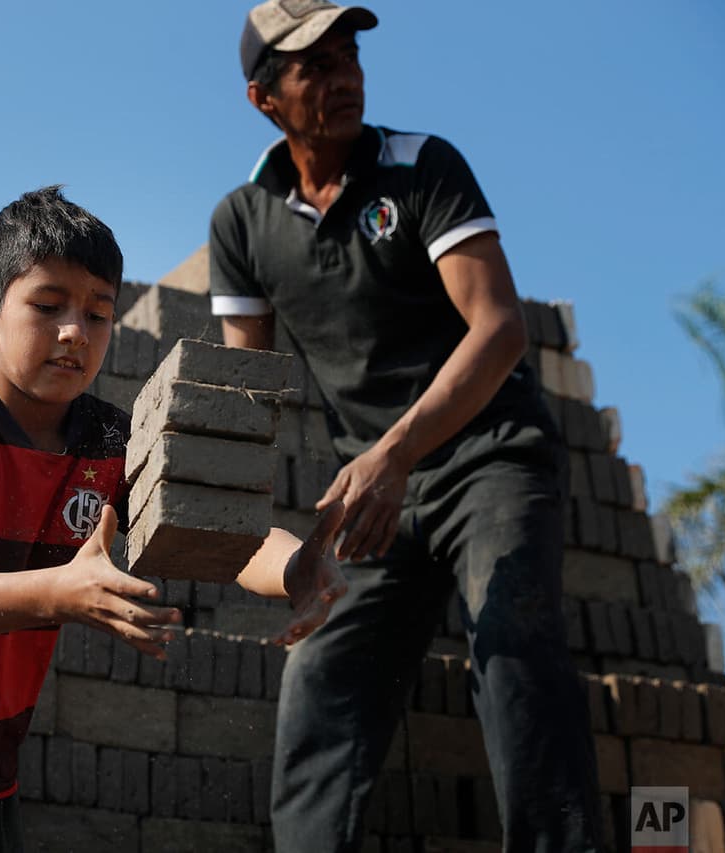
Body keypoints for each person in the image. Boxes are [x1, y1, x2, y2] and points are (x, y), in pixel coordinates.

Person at [0, 185, 343, 853]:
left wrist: (297, 566)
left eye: (98, 313)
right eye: (48, 305)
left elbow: (225, 534)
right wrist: (61, 589)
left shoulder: (113, 448)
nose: (75, 332)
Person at [209, 2, 603, 850]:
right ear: (264, 99)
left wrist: (394, 451)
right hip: (375, 494)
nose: (345, 76)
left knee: (512, 646)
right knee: (320, 681)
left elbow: (498, 327)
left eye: (349, 56)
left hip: (489, 457)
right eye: (315, 67)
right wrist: (270, 546)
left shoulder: (422, 167)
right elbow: (251, 395)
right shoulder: (243, 222)